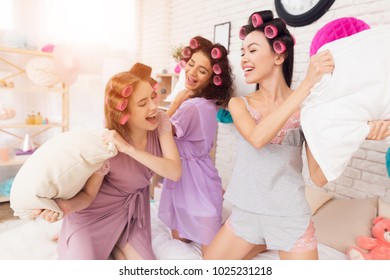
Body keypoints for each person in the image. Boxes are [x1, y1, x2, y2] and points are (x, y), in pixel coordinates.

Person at [204, 10, 390, 260]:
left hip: (290, 217)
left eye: (253, 50)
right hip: (245, 214)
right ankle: (262, 242)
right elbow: (258, 138)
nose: (244, 59)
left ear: (278, 55)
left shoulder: (309, 110)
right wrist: (307, 86)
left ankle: (267, 241)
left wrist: (358, 134)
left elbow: (318, 176)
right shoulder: (239, 105)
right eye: (243, 52)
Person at [39, 62, 181, 260]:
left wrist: (129, 149)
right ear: (124, 112)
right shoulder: (105, 143)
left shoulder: (161, 121)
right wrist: (65, 207)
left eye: (153, 96)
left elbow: (174, 171)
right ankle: (75, 234)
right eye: (142, 103)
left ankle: (115, 243)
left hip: (132, 214)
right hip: (95, 213)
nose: (153, 106)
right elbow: (88, 195)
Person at [158, 36, 234, 255]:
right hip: (190, 178)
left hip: (197, 183)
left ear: (212, 79)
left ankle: (255, 238)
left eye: (202, 71)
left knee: (212, 251)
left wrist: (175, 103)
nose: (192, 73)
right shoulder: (207, 103)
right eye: (191, 65)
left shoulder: (191, 106)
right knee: (180, 236)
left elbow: (160, 132)